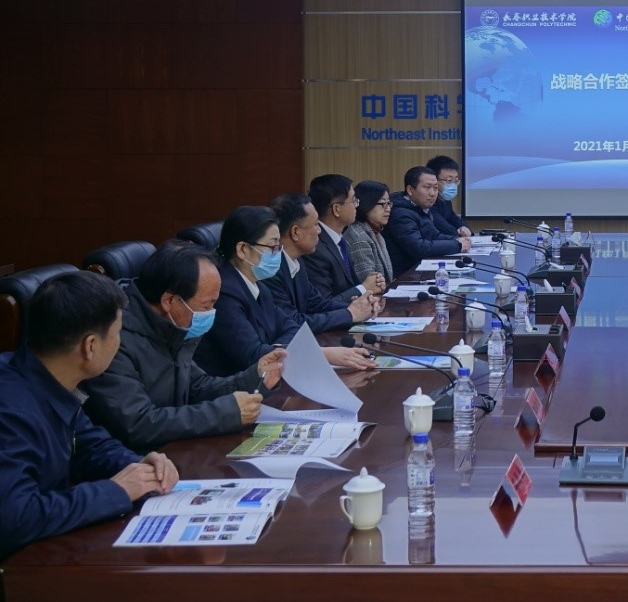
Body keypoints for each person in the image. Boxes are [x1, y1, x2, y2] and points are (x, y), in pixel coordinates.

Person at [0, 271, 179, 560]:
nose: (119, 342)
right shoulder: (10, 410)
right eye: (118, 333)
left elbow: (89, 445)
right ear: (91, 346)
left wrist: (139, 466)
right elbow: (16, 517)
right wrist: (116, 491)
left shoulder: (49, 380)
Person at [82, 241, 287, 453]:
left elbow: (198, 387)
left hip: (177, 449)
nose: (212, 312)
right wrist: (226, 413)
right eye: (206, 305)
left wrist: (255, 376)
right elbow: (139, 424)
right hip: (138, 459)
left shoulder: (173, 325)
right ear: (169, 301)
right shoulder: (112, 339)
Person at [196, 205, 377, 377]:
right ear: (243, 249)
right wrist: (323, 354)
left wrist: (278, 346)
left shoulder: (258, 285)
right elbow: (252, 355)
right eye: (273, 247)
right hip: (235, 389)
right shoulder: (224, 293)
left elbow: (291, 327)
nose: (279, 253)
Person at [263, 193, 377, 334]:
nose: (319, 230)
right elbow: (293, 322)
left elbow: (317, 304)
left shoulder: (297, 261)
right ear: (295, 232)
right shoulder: (271, 270)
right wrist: (349, 314)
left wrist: (359, 307)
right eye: (316, 224)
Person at [304, 174, 384, 303]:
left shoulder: (340, 240)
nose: (357, 205)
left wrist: (371, 287)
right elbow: (324, 303)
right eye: (353, 200)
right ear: (336, 209)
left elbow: (351, 286)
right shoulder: (315, 247)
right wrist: (364, 288)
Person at [384, 166, 470, 274]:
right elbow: (418, 247)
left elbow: (434, 235)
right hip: (406, 275)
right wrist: (456, 245)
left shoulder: (419, 207)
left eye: (435, 188)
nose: (433, 193)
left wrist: (457, 239)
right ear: (410, 190)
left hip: (420, 270)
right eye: (427, 187)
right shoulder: (400, 213)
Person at [344, 180, 395, 285]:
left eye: (389, 203)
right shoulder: (358, 237)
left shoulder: (376, 232)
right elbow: (370, 284)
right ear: (367, 204)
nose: (388, 209)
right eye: (383, 204)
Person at [425, 155, 473, 239]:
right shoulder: (427, 201)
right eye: (449, 180)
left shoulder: (444, 200)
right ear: (433, 180)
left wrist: (464, 227)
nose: (453, 185)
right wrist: (459, 233)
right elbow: (442, 226)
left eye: (456, 181)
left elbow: (454, 219)